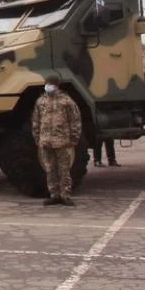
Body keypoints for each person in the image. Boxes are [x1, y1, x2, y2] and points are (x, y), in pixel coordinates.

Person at [32, 75, 82, 206]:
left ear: (56, 85)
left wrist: (74, 139)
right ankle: (54, 194)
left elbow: (75, 121)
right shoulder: (41, 101)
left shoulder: (66, 101)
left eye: (50, 84)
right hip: (46, 142)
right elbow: (36, 121)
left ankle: (65, 195)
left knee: (64, 170)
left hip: (62, 141)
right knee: (49, 169)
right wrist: (38, 138)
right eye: (47, 83)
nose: (48, 86)